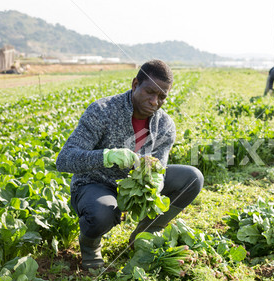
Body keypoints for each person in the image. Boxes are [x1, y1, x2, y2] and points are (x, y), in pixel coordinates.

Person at [56, 59, 204, 269]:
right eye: (149, 92)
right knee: (101, 213)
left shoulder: (165, 124)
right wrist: (106, 156)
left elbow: (160, 166)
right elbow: (64, 159)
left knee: (193, 178)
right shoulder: (102, 111)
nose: (155, 101)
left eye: (162, 97)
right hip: (96, 185)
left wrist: (155, 179)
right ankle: (90, 245)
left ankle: (144, 234)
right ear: (135, 85)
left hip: (135, 187)